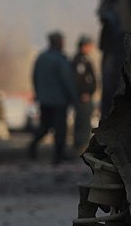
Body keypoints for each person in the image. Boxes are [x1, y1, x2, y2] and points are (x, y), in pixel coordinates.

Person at [29, 31, 77, 164]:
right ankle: (58, 155)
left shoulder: (41, 58)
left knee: (45, 126)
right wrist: (73, 97)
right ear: (58, 42)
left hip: (44, 99)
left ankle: (33, 146)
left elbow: (34, 77)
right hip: (59, 100)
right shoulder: (60, 60)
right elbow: (67, 80)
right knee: (60, 128)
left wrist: (39, 94)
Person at [72, 35, 97, 152]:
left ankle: (83, 144)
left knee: (86, 121)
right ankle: (80, 145)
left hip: (87, 96)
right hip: (83, 97)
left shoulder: (86, 60)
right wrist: (84, 92)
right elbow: (78, 79)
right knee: (83, 122)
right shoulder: (79, 61)